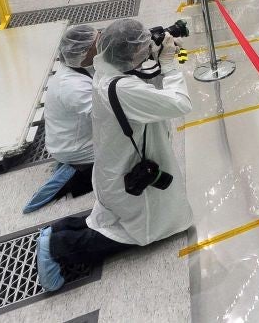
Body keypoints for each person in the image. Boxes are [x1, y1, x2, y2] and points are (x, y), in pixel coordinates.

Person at [37, 19, 192, 292]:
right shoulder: (122, 88)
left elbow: (139, 88)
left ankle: (62, 228)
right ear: (130, 53)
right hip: (127, 174)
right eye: (142, 47)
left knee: (113, 217)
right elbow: (180, 104)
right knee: (138, 230)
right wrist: (169, 64)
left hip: (113, 168)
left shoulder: (103, 72)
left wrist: (149, 60)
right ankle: (59, 246)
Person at [23, 25, 99, 213]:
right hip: (76, 149)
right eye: (98, 43)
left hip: (70, 138)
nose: (102, 45)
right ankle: (73, 171)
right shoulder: (72, 85)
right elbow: (108, 116)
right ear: (84, 52)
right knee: (132, 147)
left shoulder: (74, 69)